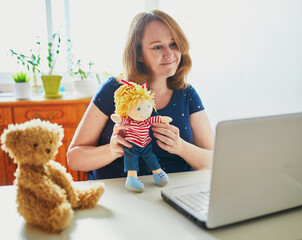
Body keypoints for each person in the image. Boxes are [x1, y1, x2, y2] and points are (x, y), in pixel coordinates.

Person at [67, 10, 214, 180]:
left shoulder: (187, 93)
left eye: (173, 44)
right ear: (139, 55)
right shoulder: (113, 90)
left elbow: (213, 161)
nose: (169, 54)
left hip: (173, 194)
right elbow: (74, 158)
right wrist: (111, 150)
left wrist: (181, 147)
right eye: (157, 47)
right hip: (120, 194)